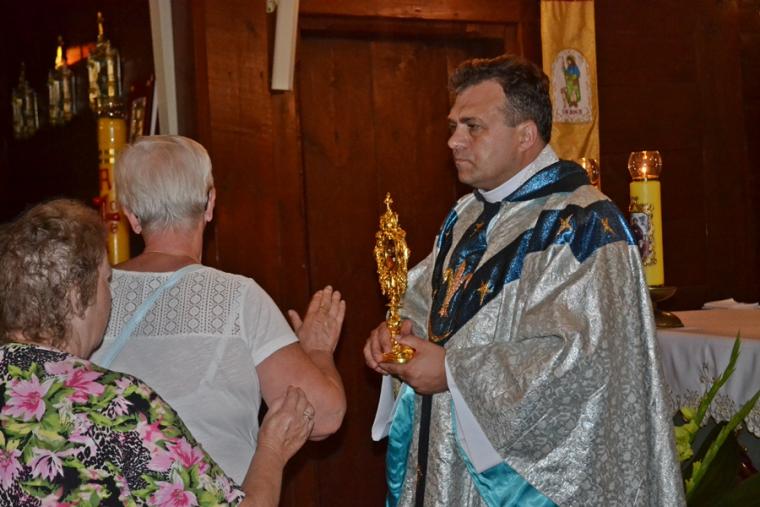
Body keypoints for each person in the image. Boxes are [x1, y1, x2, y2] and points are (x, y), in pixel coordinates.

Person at [364, 55, 685, 506]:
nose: (454, 140)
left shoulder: (584, 224)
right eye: (453, 126)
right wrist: (398, 332)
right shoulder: (466, 214)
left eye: (473, 127)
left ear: (525, 136)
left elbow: (580, 367)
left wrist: (452, 372)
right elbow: (426, 301)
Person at [0, 199, 312, 506]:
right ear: (77, 296)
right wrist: (272, 449)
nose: (111, 295)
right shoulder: (115, 403)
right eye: (107, 280)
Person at [89, 135, 346, 484]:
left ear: (132, 216)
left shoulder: (94, 296)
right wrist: (317, 352)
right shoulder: (239, 298)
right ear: (210, 202)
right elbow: (323, 416)